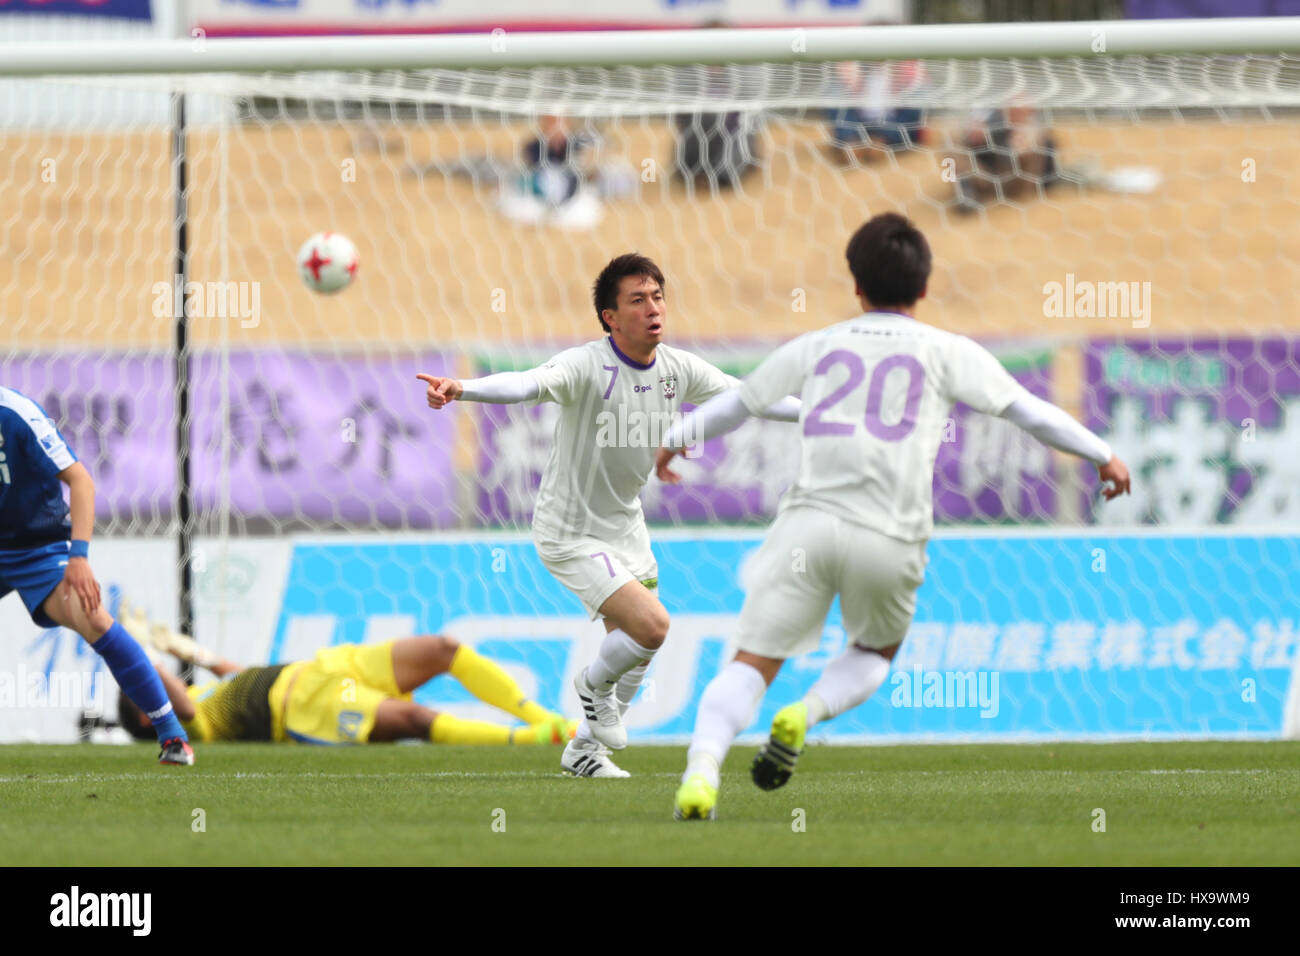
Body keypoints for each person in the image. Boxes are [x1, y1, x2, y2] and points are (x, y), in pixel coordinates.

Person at [656, 213, 1131, 820]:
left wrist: (677, 435)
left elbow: (741, 403)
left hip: (807, 526)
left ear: (855, 284)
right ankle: (807, 712)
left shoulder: (817, 344)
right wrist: (1103, 454)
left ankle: (700, 775)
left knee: (751, 663)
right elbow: (1029, 412)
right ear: (925, 288)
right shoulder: (946, 350)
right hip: (890, 532)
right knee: (876, 651)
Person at [416, 253, 801, 777]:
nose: (653, 308)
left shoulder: (677, 369)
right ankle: (590, 688)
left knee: (636, 647)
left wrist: (823, 412)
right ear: (610, 317)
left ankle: (583, 752)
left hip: (625, 524)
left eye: (658, 296)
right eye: (637, 300)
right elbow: (526, 383)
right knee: (653, 626)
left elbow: (748, 398)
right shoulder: (585, 366)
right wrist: (464, 389)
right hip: (569, 531)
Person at [0, 386, 194, 764]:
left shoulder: (17, 413)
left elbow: (81, 481)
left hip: (38, 548)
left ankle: (172, 735)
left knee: (93, 617)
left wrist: (79, 558)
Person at [116, 607, 574, 746]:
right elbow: (185, 703)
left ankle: (542, 717)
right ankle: (536, 741)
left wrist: (178, 646)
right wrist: (141, 659)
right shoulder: (190, 730)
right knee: (415, 721)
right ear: (146, 720)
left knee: (444, 649)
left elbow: (235, 674)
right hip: (310, 712)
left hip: (327, 667)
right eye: (144, 695)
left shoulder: (206, 690)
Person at [948, 103, 1059, 213]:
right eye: (1011, 110)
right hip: (987, 180)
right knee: (951, 145)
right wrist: (974, 128)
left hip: (1017, 187)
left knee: (1033, 141)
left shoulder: (1035, 131)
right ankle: (964, 194)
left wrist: (1023, 148)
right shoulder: (992, 120)